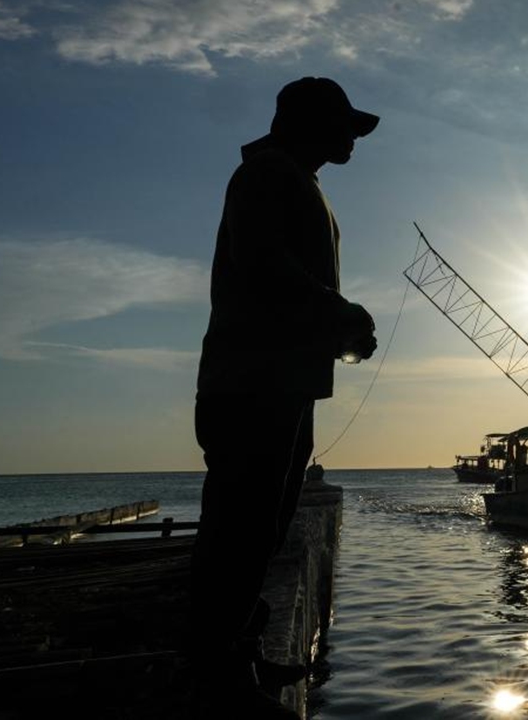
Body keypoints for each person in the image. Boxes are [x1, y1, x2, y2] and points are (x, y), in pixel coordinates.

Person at [189, 76, 380, 720]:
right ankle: (216, 675)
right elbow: (263, 265)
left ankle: (238, 650)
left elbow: (285, 284)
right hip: (251, 387)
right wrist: (343, 313)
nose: (354, 138)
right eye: (344, 125)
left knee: (263, 527)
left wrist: (338, 328)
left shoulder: (301, 181)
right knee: (239, 527)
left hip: (283, 385)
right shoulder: (268, 173)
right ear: (310, 123)